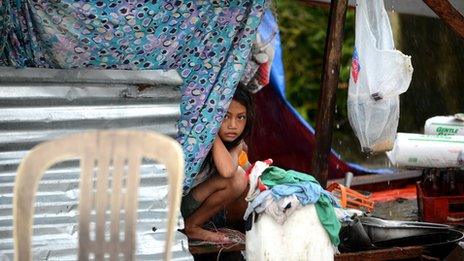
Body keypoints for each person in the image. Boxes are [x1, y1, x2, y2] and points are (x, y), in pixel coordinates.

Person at [181, 85, 254, 243]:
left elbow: (250, 170)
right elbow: (228, 172)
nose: (233, 125)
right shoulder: (206, 137)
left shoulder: (237, 144)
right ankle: (192, 226)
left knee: (246, 180)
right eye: (225, 117)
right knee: (237, 178)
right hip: (177, 208)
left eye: (240, 117)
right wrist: (212, 132)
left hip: (195, 204)